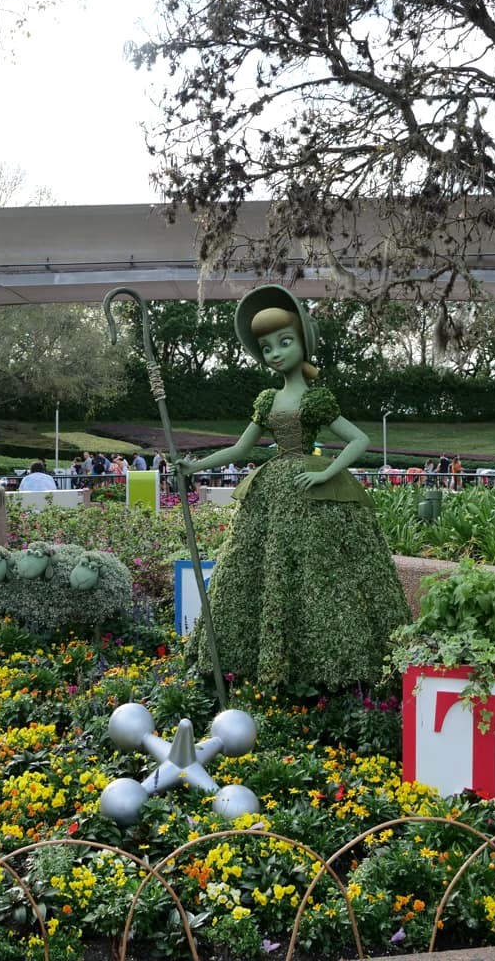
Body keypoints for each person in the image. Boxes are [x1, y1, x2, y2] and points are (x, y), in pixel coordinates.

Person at [176, 284, 410, 690]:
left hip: (309, 491)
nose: (275, 353)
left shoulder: (318, 399)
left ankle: (330, 666)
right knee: (259, 566)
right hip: (271, 492)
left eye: (284, 342)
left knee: (317, 573)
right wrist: (194, 465)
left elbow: (359, 440)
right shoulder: (268, 400)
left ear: (303, 343)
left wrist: (326, 473)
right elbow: (240, 449)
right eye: (267, 347)